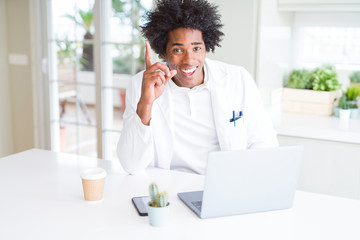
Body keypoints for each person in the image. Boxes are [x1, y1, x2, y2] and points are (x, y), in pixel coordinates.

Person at [117, 0, 278, 175]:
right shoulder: (142, 84)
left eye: (196, 48)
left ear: (206, 47)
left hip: (224, 184)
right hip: (168, 188)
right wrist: (146, 104)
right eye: (178, 50)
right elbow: (132, 165)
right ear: (163, 53)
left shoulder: (238, 79)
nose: (189, 60)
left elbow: (264, 143)